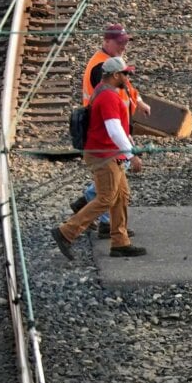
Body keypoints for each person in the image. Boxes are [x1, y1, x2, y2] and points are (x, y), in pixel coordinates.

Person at [55, 57, 147, 258]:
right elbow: (114, 130)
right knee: (106, 198)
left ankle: (120, 242)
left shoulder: (102, 92)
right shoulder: (108, 98)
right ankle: (66, 232)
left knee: (121, 195)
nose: (127, 77)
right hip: (104, 155)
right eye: (125, 74)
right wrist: (132, 156)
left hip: (108, 153)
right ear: (115, 75)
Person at [82, 22, 149, 116]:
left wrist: (139, 101)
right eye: (119, 42)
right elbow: (107, 102)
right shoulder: (101, 67)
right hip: (107, 125)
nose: (124, 47)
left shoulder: (112, 62)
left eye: (125, 42)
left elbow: (127, 86)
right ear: (106, 41)